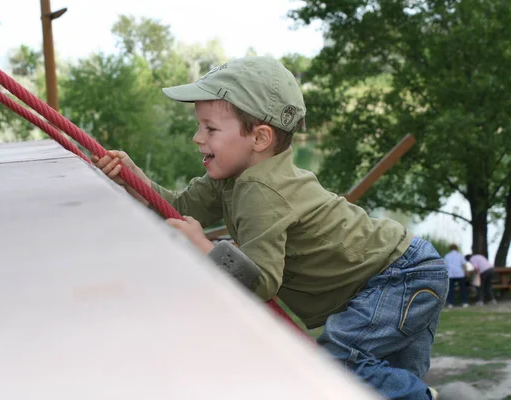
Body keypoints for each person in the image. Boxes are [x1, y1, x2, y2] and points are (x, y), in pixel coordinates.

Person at [93, 56, 448, 400]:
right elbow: (180, 209)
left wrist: (204, 247)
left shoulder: (262, 191)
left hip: (396, 276)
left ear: (260, 138)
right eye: (199, 126)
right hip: (400, 270)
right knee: (376, 379)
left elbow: (262, 283)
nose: (197, 138)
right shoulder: (231, 178)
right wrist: (134, 179)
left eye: (210, 128)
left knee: (336, 366)